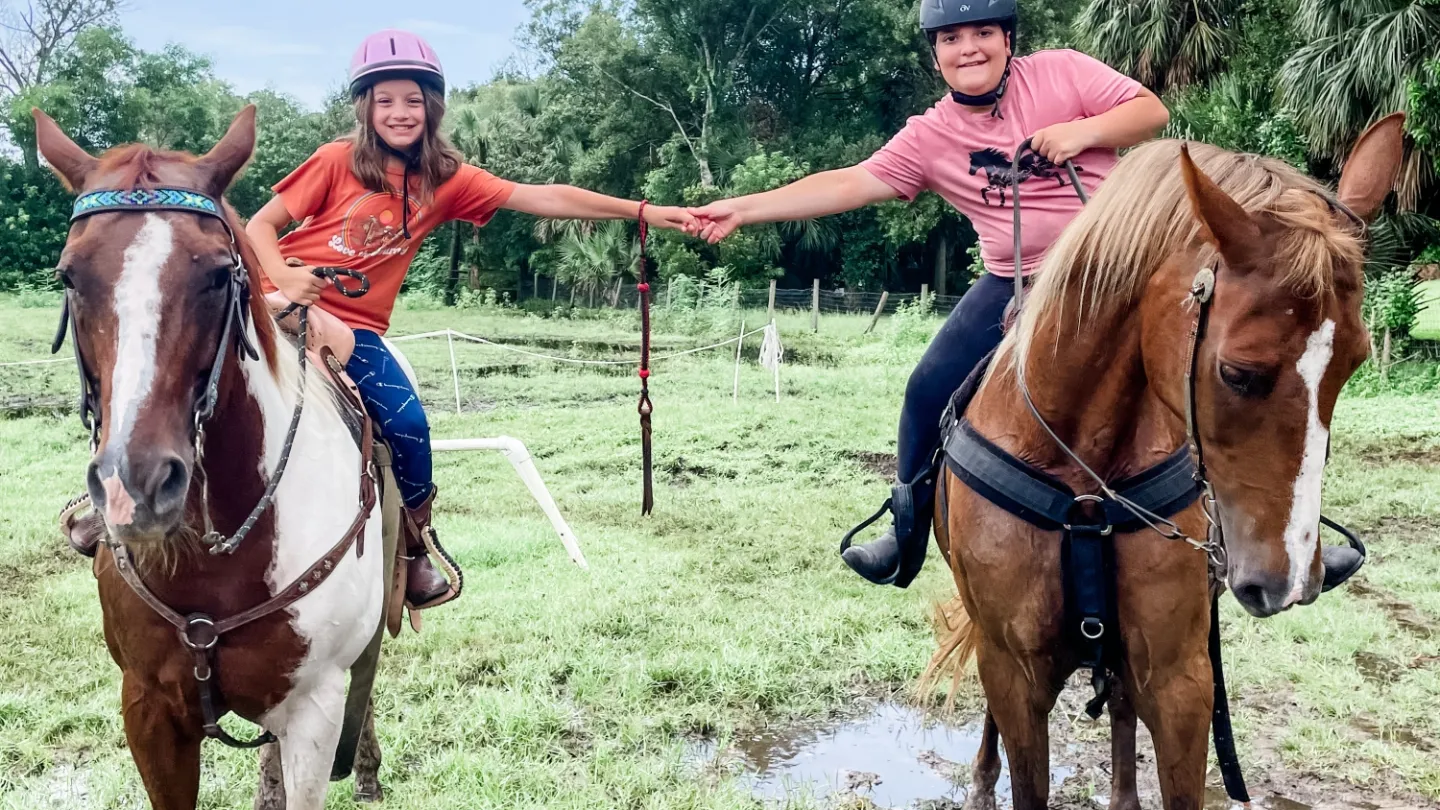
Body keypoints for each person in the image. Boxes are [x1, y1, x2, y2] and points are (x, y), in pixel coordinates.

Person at [687, 0, 1365, 592]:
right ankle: (907, 530)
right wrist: (743, 209)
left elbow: (1149, 111)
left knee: (1235, 376)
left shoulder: (1064, 73)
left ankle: (1293, 534)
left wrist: (1080, 132)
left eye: (982, 32)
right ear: (936, 56)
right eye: (951, 40)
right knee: (926, 389)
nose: (968, 47)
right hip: (1015, 282)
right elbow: (850, 182)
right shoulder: (930, 137)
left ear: (1008, 39)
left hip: (1119, 278)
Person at [63, 30, 698, 617]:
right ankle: (106, 495)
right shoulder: (335, 160)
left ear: (433, 108)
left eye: (413, 101)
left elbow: (546, 195)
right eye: (385, 99)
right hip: (267, 301)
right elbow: (259, 226)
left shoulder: (445, 181)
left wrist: (643, 210)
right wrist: (284, 280)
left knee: (408, 422)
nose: (400, 112)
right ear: (365, 107)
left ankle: (415, 546)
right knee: (161, 372)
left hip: (354, 327)